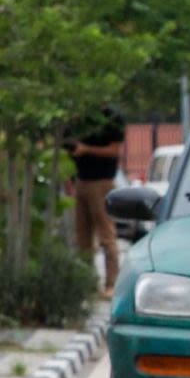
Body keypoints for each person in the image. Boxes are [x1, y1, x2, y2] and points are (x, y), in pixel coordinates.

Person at [63, 108, 125, 298]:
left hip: (102, 182)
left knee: (106, 236)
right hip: (80, 181)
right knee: (82, 238)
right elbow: (66, 149)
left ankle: (112, 284)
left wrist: (87, 149)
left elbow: (115, 150)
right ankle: (87, 285)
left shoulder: (111, 117)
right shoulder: (76, 118)